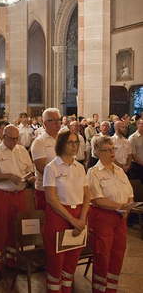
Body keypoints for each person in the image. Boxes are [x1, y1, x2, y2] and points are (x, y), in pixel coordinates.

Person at [43, 130, 90, 293]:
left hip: (78, 216)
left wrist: (82, 218)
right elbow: (51, 198)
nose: (74, 146)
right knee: (56, 261)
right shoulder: (52, 167)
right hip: (59, 216)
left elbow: (87, 195)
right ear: (61, 144)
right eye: (70, 142)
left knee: (72, 261)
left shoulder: (80, 167)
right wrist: (73, 220)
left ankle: (67, 289)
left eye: (76, 142)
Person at [0, 125, 34, 281]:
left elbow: (30, 169)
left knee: (16, 228)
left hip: (19, 194)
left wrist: (30, 177)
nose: (14, 141)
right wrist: (9, 176)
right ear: (4, 136)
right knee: (0, 228)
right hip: (1, 194)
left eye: (16, 138)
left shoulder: (22, 150)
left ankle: (11, 259)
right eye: (11, 138)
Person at [87, 136, 133, 293]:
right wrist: (121, 206)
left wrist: (127, 207)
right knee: (103, 256)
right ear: (98, 152)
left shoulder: (120, 170)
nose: (112, 152)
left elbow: (129, 193)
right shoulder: (93, 172)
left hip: (120, 218)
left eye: (113, 148)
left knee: (118, 254)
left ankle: (111, 289)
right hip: (102, 218)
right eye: (107, 149)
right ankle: (99, 289)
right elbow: (98, 199)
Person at [31, 108, 61, 210]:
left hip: (63, 189)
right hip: (46, 190)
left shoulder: (63, 139)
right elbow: (41, 168)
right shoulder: (39, 142)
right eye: (53, 120)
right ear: (44, 123)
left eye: (58, 120)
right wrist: (62, 176)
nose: (57, 123)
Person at [128, 118, 143, 183]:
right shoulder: (132, 138)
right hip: (137, 166)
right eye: (142, 125)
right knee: (138, 187)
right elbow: (133, 155)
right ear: (137, 125)